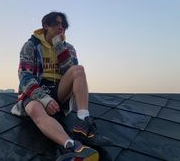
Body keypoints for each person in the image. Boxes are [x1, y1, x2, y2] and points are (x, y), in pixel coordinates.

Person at [11, 11, 112, 160]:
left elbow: (69, 71)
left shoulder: (68, 48)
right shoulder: (30, 46)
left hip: (59, 90)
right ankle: (73, 146)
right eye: (57, 23)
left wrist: (59, 45)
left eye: (63, 25)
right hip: (36, 91)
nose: (61, 27)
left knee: (78, 70)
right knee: (34, 109)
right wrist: (44, 99)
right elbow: (25, 76)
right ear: (46, 25)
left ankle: (83, 122)